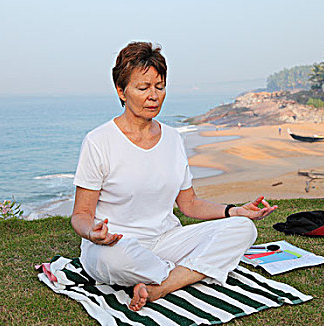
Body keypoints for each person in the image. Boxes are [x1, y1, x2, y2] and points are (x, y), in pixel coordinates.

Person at [71, 42, 277, 312]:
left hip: (166, 241)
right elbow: (81, 214)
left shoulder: (173, 139)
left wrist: (234, 210)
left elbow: (189, 204)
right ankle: (185, 273)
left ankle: (162, 285)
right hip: (118, 245)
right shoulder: (98, 141)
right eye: (143, 88)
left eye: (160, 86)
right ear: (121, 91)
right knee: (115, 260)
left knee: (243, 229)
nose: (153, 96)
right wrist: (92, 233)